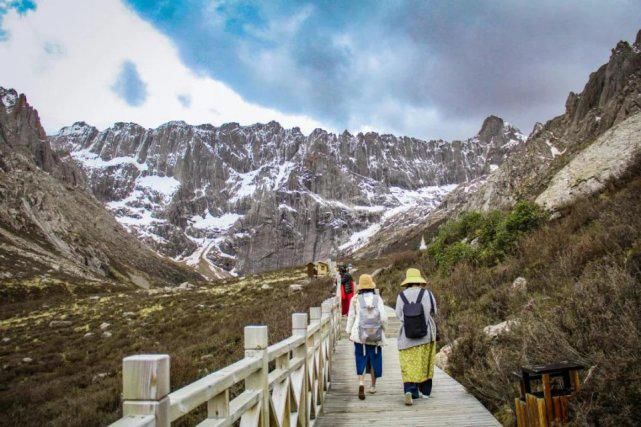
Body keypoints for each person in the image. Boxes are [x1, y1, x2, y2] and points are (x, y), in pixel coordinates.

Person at [395, 268, 438, 406]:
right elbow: (434, 311)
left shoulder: (401, 296)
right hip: (426, 335)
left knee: (408, 364)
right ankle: (425, 392)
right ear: (419, 280)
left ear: (407, 281)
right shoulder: (428, 294)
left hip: (407, 337)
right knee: (425, 362)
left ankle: (410, 390)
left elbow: (399, 315)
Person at [345, 274, 388, 400]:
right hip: (375, 335)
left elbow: (351, 317)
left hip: (360, 335)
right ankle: (373, 386)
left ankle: (361, 383)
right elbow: (383, 317)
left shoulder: (355, 299)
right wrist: (384, 330)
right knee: (375, 358)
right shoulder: (377, 298)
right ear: (371, 286)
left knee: (361, 358)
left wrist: (349, 332)